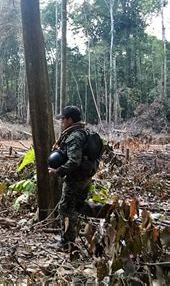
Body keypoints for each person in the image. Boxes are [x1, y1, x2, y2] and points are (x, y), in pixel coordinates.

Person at [49, 106, 109, 250]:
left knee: (65, 207)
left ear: (70, 120)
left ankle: (67, 241)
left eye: (63, 119)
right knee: (78, 205)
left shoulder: (75, 136)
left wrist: (58, 171)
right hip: (85, 175)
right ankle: (107, 212)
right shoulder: (84, 132)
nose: (61, 122)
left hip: (76, 177)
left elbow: (74, 161)